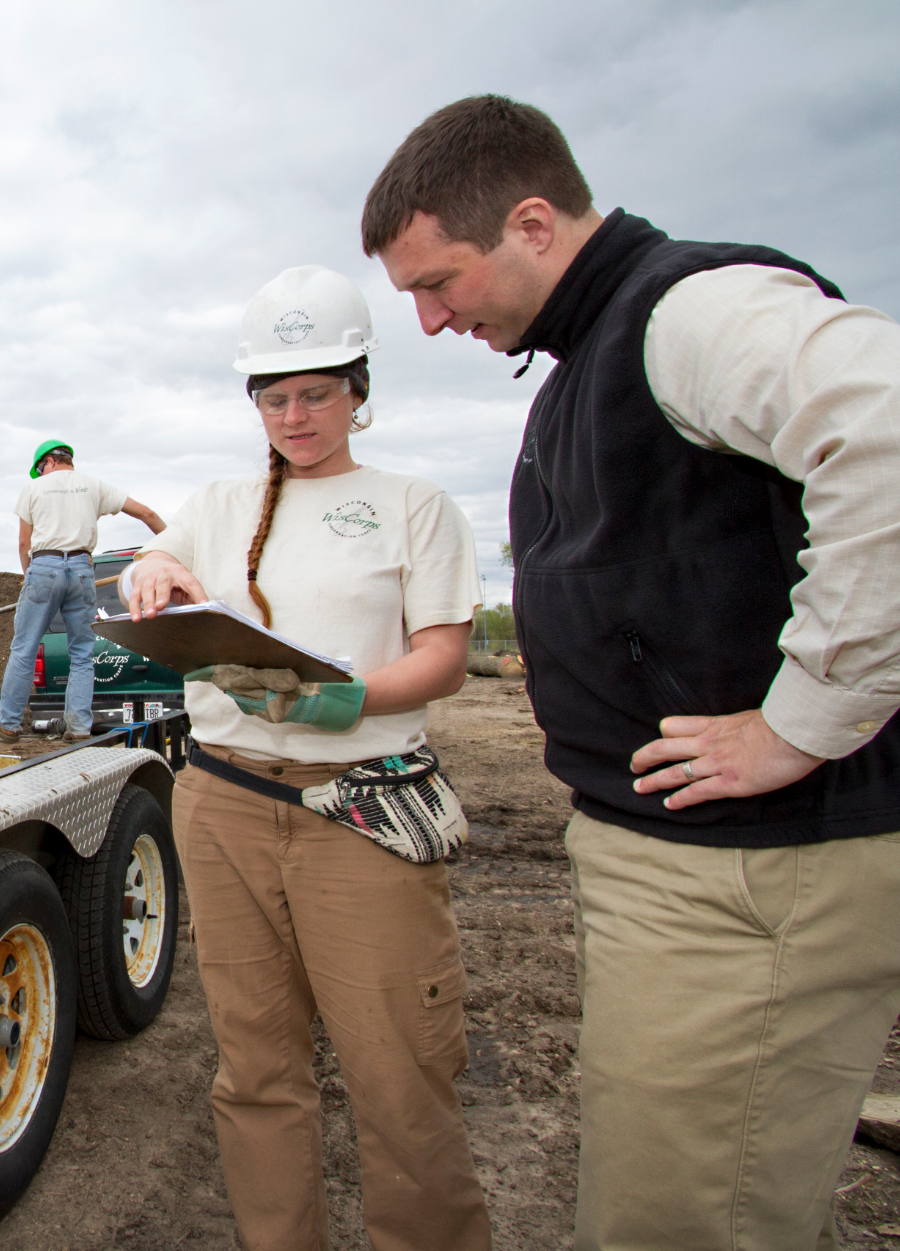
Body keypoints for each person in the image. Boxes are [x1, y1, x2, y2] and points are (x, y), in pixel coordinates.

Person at [364, 95, 900, 1250]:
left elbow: (885, 431)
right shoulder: (594, 353)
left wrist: (804, 720)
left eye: (439, 282)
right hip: (689, 862)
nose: (425, 319)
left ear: (532, 224)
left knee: (693, 1212)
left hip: (755, 877)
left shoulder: (688, 312)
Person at [125, 265, 489, 1250]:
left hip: (356, 809)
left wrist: (347, 699)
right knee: (254, 1067)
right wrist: (154, 562)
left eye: (315, 393)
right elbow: (160, 569)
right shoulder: (217, 501)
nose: (294, 415)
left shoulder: (410, 505)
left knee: (396, 1069)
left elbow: (444, 658)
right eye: (274, 397)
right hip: (223, 802)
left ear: (357, 391)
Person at [0, 439, 163, 742]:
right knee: (82, 654)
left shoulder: (33, 489)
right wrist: (172, 548)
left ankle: (8, 723)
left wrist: (29, 577)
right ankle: (78, 728)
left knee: (24, 647)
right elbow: (147, 514)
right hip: (83, 570)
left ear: (46, 463)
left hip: (44, 567)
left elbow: (24, 543)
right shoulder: (94, 486)